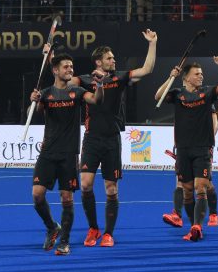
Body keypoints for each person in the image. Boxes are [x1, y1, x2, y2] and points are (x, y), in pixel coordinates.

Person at [68, 29, 158, 247]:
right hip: (91, 138)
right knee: (86, 185)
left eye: (113, 58)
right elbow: (62, 80)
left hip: (111, 140)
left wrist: (152, 43)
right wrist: (51, 58)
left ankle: (108, 233)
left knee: (111, 189)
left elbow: (147, 69)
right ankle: (93, 228)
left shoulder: (120, 77)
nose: (113, 60)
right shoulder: (84, 80)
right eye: (109, 58)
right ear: (99, 61)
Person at [31, 53, 104, 256]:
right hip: (47, 153)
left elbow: (96, 100)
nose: (70, 70)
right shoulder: (46, 93)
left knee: (66, 199)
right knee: (37, 196)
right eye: (66, 67)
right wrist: (34, 100)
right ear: (55, 70)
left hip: (68, 154)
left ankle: (64, 242)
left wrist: (100, 85)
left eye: (71, 67)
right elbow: (37, 110)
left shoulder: (78, 92)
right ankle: (52, 227)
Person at [154, 58, 218, 241]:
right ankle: (193, 226)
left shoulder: (207, 93)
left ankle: (198, 224)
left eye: (201, 74)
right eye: (197, 74)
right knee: (188, 190)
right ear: (187, 78)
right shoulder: (177, 94)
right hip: (183, 149)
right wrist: (170, 77)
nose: (201, 76)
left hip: (202, 148)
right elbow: (158, 96)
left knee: (201, 188)